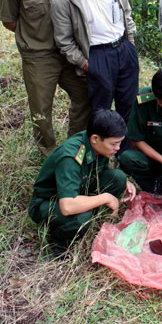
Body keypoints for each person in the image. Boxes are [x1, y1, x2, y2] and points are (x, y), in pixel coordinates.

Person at [0, 0, 90, 156]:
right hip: (38, 57)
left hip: (68, 51)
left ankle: (74, 147)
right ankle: (49, 155)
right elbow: (10, 22)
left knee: (84, 96)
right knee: (41, 112)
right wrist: (34, 35)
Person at [51, 0, 139, 125]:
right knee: (101, 110)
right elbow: (64, 41)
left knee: (129, 103)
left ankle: (126, 150)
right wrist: (86, 65)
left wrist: (131, 44)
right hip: (97, 55)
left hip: (123, 47)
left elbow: (126, 12)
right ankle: (102, 152)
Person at [28, 109, 136, 257]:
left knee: (118, 178)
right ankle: (58, 242)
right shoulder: (71, 157)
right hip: (48, 202)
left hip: (77, 189)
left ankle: (93, 214)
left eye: (120, 143)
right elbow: (67, 206)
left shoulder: (98, 147)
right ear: (95, 139)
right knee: (81, 218)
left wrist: (124, 184)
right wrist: (105, 198)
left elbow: (100, 172)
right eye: (114, 144)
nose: (117, 148)